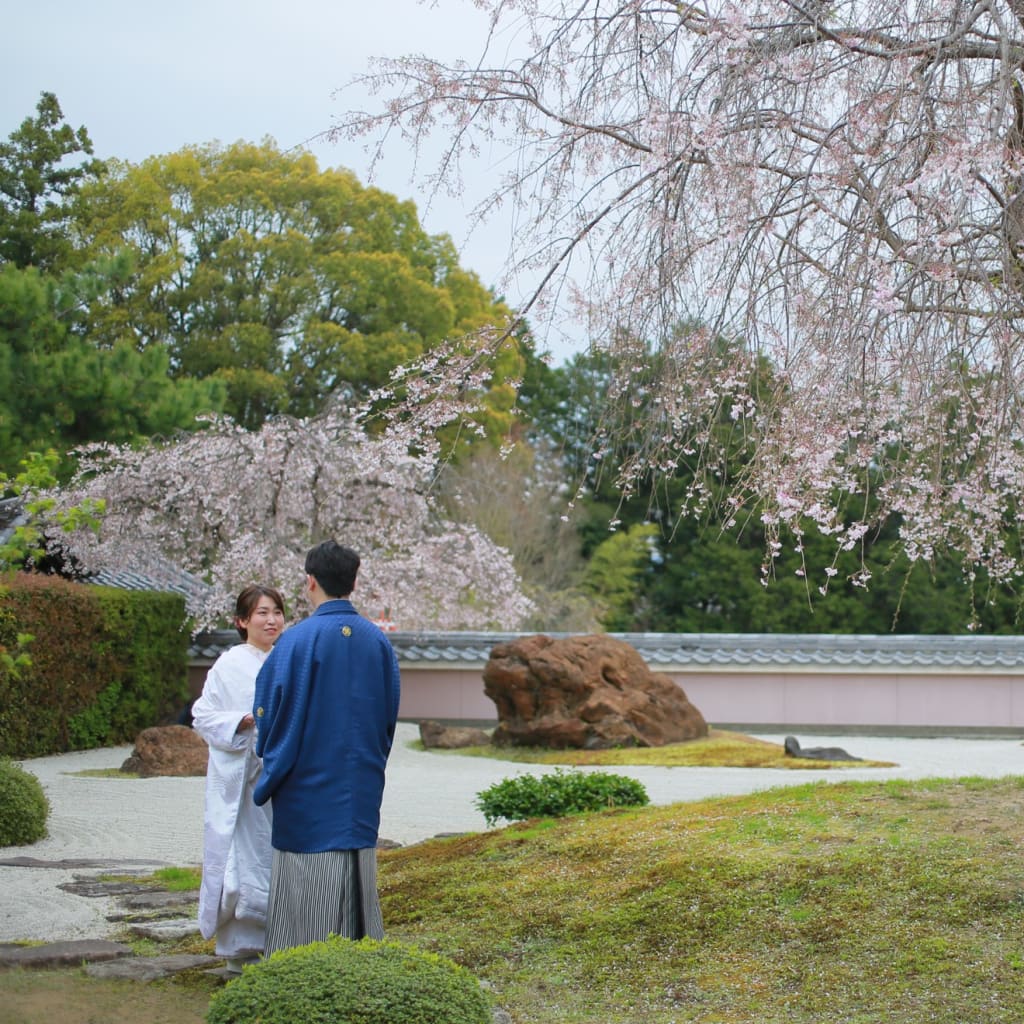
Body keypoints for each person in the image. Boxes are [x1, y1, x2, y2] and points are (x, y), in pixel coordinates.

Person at [252, 541, 401, 955]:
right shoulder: (377, 641)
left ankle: (297, 972)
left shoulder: (297, 640)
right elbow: (388, 717)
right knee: (357, 874)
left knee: (306, 888)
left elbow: (269, 710)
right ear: (353, 582)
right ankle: (360, 967)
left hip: (307, 785)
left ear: (310, 581)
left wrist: (272, 757)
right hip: (361, 784)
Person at [191, 584, 286, 973]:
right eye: (261, 613)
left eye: (277, 611)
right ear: (242, 621)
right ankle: (239, 951)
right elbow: (203, 715)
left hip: (281, 779)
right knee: (244, 860)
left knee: (278, 858)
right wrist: (241, 722)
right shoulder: (229, 665)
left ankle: (279, 943)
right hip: (243, 782)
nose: (271, 620)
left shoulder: (290, 658)